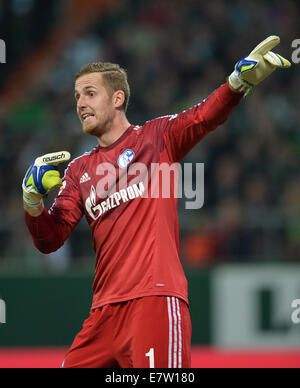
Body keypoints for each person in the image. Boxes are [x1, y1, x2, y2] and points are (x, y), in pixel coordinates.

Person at [22, 36, 290, 368]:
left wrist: (236, 83)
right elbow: (50, 239)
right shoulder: (78, 171)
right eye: (77, 96)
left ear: (118, 98)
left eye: (90, 94)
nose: (80, 103)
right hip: (103, 315)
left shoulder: (157, 136)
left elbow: (203, 116)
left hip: (155, 301)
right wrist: (32, 201)